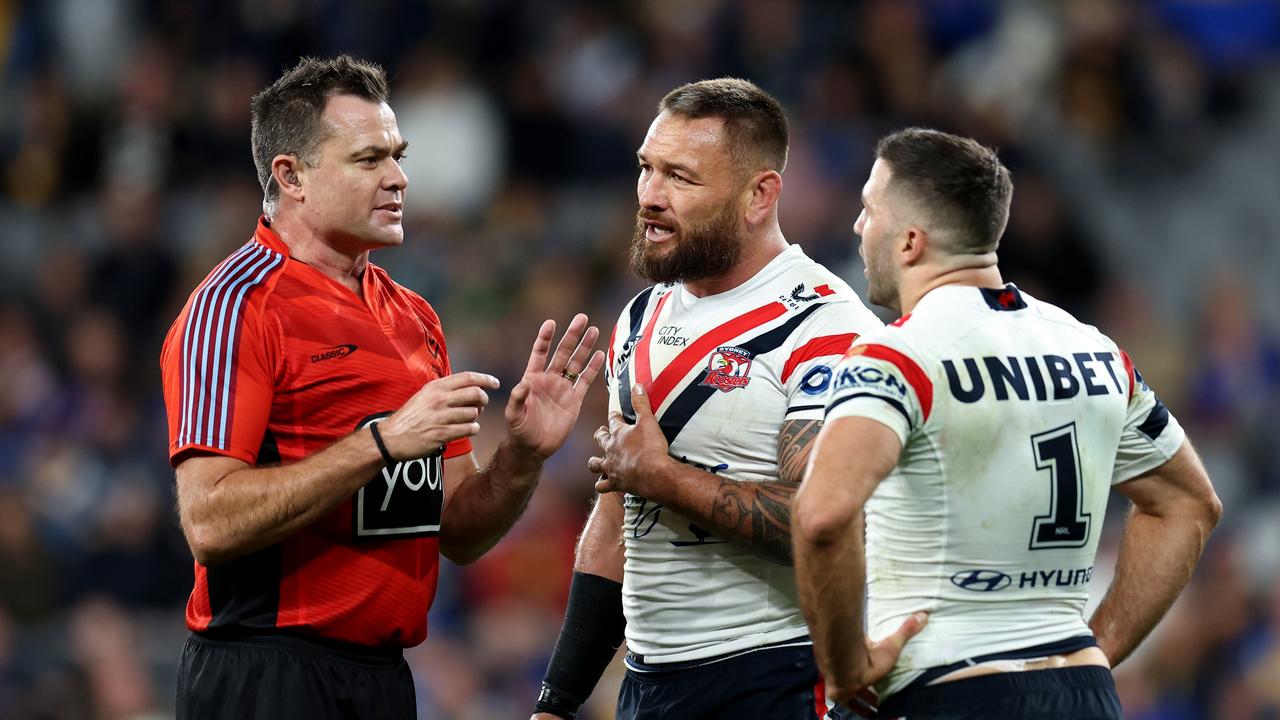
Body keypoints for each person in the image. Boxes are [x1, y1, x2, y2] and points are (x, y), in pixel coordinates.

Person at [158, 55, 605, 720]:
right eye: (369, 159)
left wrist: (522, 457)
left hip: (384, 680)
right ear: (291, 176)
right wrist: (382, 443)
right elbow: (209, 521)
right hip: (266, 673)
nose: (398, 179)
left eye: (398, 156)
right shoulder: (236, 308)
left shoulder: (415, 318)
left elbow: (457, 529)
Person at [792, 128, 1223, 719]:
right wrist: (1097, 647)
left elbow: (821, 517)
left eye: (869, 210)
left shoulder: (898, 357)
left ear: (911, 241)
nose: (858, 228)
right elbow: (1189, 504)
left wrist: (844, 669)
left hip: (945, 689)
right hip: (1081, 696)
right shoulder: (1095, 351)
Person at [530, 79, 883, 720]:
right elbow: (616, 526)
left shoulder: (829, 327)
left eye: (681, 178)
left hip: (777, 679)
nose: (650, 197)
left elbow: (831, 521)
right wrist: (557, 702)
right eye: (646, 168)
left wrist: (666, 477)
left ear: (760, 195)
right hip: (648, 682)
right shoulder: (641, 317)